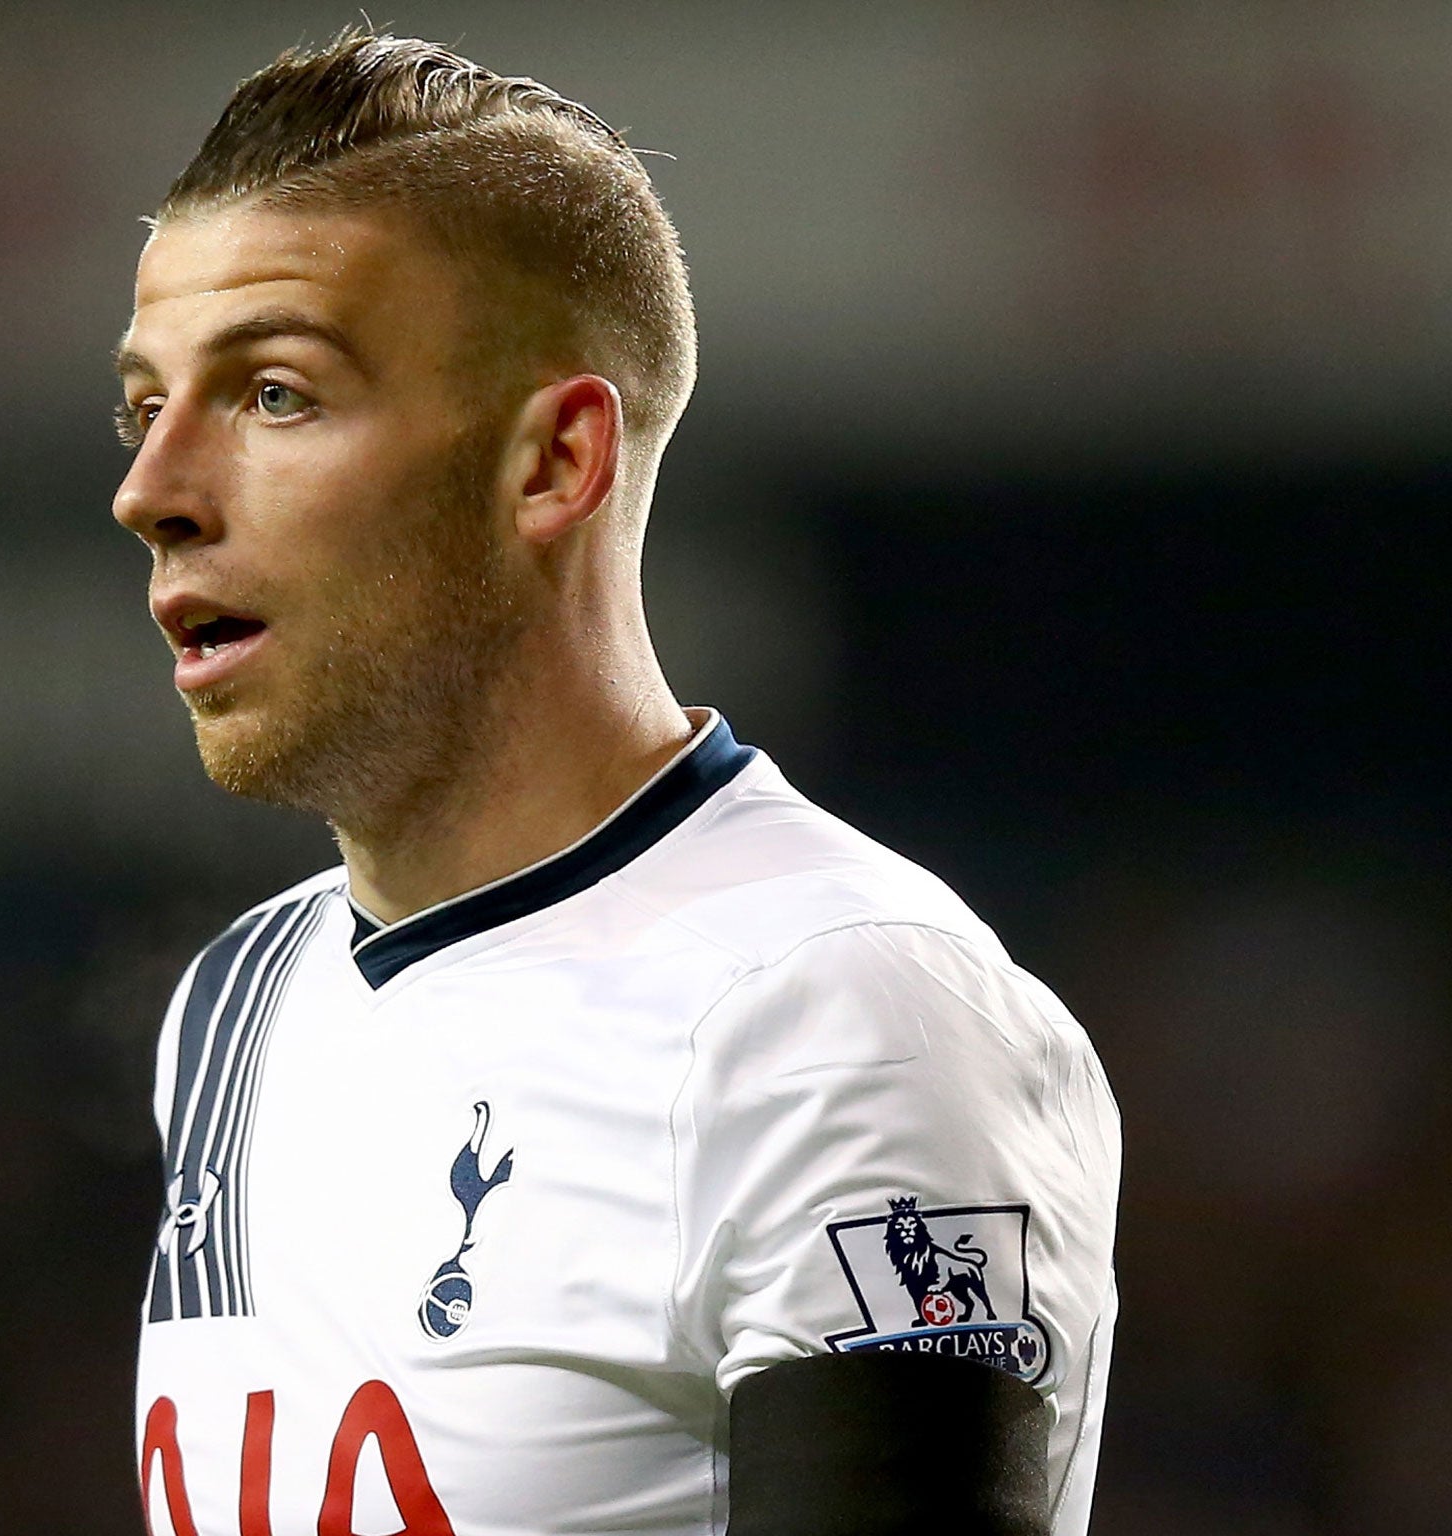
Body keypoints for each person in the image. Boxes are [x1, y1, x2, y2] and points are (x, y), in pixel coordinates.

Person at [113, 31, 1118, 1536]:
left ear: (553, 463)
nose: (153, 492)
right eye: (144, 407)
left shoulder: (830, 1009)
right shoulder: (236, 1005)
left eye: (274, 393)